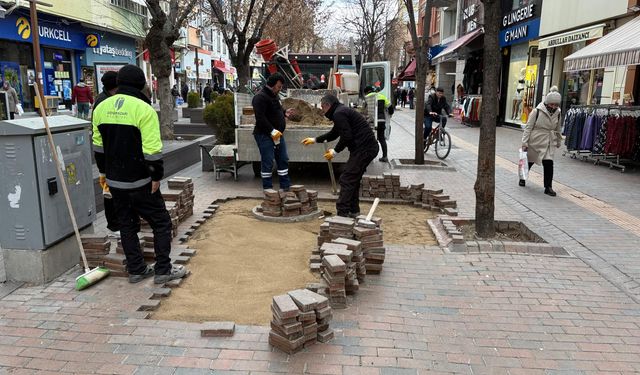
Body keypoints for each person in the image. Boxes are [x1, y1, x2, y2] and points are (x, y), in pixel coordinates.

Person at [92, 64, 187, 284]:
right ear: (140, 84)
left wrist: (104, 174)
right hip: (141, 181)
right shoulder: (144, 110)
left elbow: (98, 147)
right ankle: (163, 270)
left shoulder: (101, 108)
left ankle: (136, 269)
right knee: (161, 222)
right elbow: (152, 150)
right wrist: (156, 177)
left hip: (115, 181)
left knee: (126, 224)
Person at [301, 94, 379, 218]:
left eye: (322, 107)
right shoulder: (340, 111)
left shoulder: (339, 114)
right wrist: (315, 139)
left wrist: (335, 151)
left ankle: (342, 214)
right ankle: (353, 211)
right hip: (364, 148)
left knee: (347, 178)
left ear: (328, 105)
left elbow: (346, 136)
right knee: (353, 179)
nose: (322, 110)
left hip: (364, 149)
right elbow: (334, 133)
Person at [252, 73, 295, 191]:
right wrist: (271, 131)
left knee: (283, 159)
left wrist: (285, 113)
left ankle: (285, 186)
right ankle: (268, 188)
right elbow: (260, 118)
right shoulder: (260, 97)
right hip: (264, 135)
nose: (280, 89)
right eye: (279, 86)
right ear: (272, 85)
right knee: (268, 161)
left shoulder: (274, 96)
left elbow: (276, 110)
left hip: (278, 135)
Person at [519, 86, 563, 197]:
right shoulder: (536, 111)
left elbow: (558, 128)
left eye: (556, 104)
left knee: (549, 163)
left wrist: (558, 140)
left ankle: (548, 187)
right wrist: (524, 143)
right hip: (536, 140)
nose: (553, 106)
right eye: (552, 104)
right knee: (530, 161)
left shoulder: (558, 112)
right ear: (547, 102)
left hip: (549, 141)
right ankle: (522, 178)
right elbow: (528, 127)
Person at [92, 71, 120, 234]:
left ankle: (116, 220)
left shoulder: (105, 99)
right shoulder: (103, 102)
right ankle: (113, 223)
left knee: (111, 187)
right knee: (109, 189)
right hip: (105, 154)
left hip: (106, 153)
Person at [364, 86, 393, 162]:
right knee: (382, 139)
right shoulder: (382, 96)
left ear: (367, 92)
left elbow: (364, 110)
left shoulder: (366, 98)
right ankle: (385, 157)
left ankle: (369, 157)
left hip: (371, 122)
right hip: (381, 120)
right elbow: (390, 108)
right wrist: (390, 114)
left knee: (369, 139)